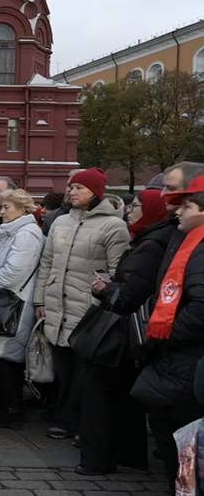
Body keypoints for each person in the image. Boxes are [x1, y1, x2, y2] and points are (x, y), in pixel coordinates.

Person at [74, 188, 170, 476]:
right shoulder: (152, 239)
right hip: (132, 333)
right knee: (124, 397)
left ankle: (97, 459)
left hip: (123, 332)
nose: (130, 210)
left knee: (100, 395)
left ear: (152, 211)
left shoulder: (150, 245)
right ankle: (130, 455)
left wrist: (105, 288)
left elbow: (130, 294)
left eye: (137, 206)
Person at [33, 167, 130, 441]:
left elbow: (118, 271)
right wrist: (40, 298)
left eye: (79, 188)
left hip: (88, 309)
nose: (72, 191)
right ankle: (63, 415)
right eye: (71, 187)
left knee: (84, 371)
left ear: (95, 192)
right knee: (62, 368)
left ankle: (76, 422)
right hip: (57, 305)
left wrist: (103, 295)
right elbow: (47, 263)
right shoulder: (61, 222)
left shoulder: (113, 226)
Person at [131, 174, 204, 490]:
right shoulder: (189, 241)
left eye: (186, 206)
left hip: (184, 356)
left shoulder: (200, 248)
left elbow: (200, 307)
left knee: (180, 438)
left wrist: (165, 335)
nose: (178, 211)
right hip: (178, 357)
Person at [0, 190, 44, 428]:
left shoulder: (26, 235)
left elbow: (13, 273)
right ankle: (7, 406)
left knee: (5, 358)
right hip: (4, 300)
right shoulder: (10, 233)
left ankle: (11, 410)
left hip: (15, 303)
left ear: (23, 209)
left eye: (7, 207)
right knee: (2, 356)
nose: (2, 212)